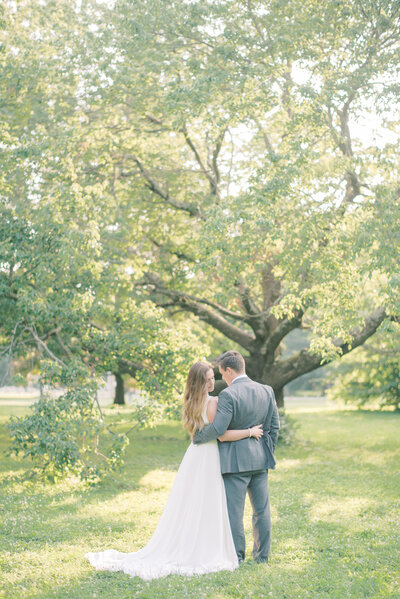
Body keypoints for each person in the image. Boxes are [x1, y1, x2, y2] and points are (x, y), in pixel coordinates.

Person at [85, 360, 264, 580]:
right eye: (208, 379)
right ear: (200, 382)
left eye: (212, 378)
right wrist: (249, 431)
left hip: (194, 456)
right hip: (210, 457)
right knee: (209, 503)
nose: (212, 383)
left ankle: (193, 541)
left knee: (192, 502)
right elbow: (221, 434)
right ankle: (208, 546)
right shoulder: (215, 402)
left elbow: (193, 437)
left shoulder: (190, 402)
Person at [193, 350, 280, 565]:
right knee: (262, 511)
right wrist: (265, 451)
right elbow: (273, 428)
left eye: (222, 373)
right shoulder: (267, 390)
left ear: (229, 370)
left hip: (235, 463)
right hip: (261, 461)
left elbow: (219, 429)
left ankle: (237, 557)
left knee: (234, 513)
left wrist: (197, 437)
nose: (222, 378)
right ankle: (262, 558)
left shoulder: (228, 395)